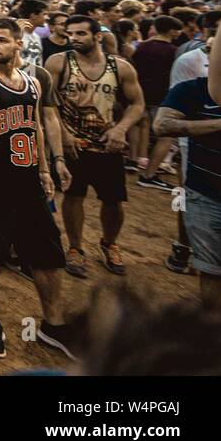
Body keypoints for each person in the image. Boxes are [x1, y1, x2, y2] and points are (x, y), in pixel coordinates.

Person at [0, 17, 77, 359]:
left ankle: (53, 323)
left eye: (1, 40)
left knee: (47, 253)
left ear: (18, 44)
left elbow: (34, 124)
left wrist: (45, 168)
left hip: (28, 181)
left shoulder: (32, 82)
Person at [45, 15, 144, 279]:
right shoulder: (59, 63)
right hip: (73, 146)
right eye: (71, 34)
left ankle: (109, 243)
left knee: (113, 200)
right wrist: (63, 135)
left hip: (106, 145)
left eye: (80, 34)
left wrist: (120, 129)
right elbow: (48, 102)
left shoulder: (120, 67)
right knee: (73, 196)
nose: (74, 39)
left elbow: (137, 104)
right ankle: (75, 248)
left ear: (97, 36)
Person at [155, 75, 221, 313]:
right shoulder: (194, 89)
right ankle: (216, 332)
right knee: (211, 272)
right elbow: (161, 125)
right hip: (206, 198)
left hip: (204, 198)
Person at [131, 15, 184, 190]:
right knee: (166, 136)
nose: (179, 32)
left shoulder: (142, 46)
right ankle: (148, 175)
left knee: (141, 127)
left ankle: (138, 160)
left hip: (140, 93)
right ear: (171, 31)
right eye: (177, 29)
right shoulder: (174, 51)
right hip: (162, 97)